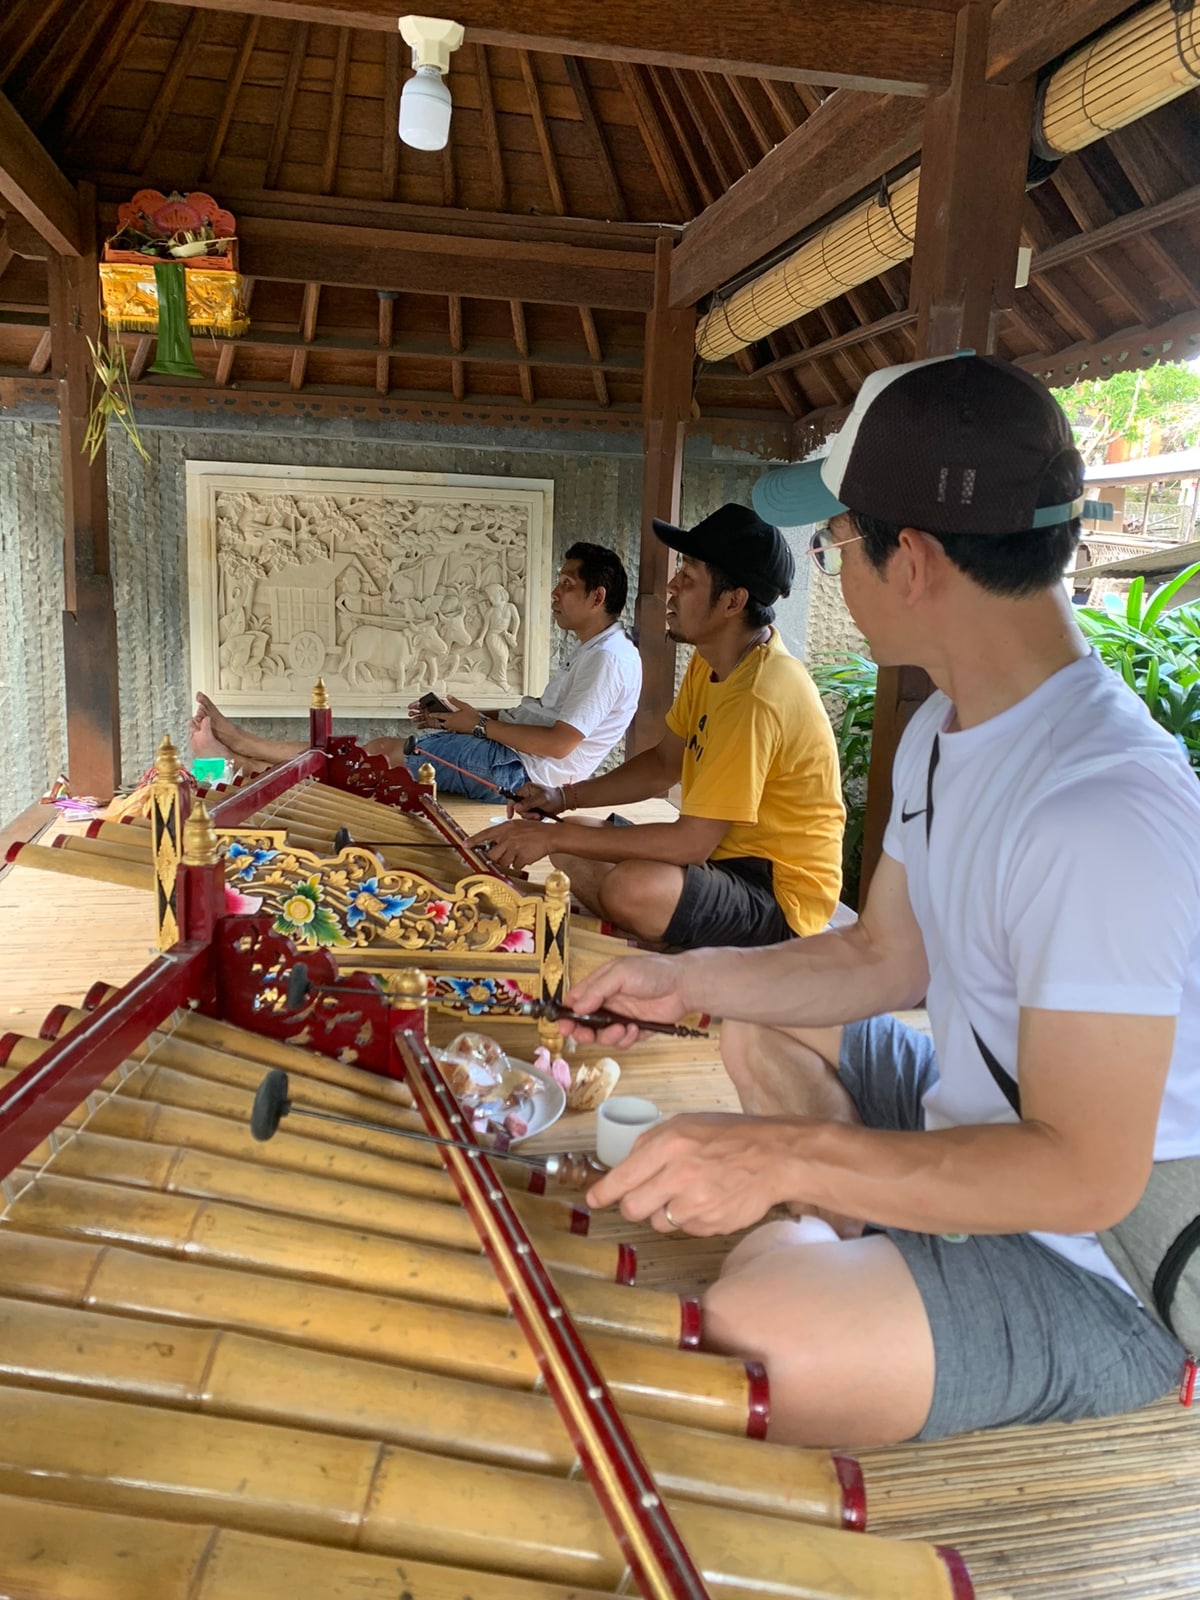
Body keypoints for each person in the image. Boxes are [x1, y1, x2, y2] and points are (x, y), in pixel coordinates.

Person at [553, 354, 1199, 1449]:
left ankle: (844, 1230)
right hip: (967, 1122)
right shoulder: (948, 733)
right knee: (753, 1007)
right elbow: (881, 959)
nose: (832, 565)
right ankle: (859, 1221)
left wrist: (783, 1159)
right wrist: (680, 981)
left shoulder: (1102, 809)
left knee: (761, 1338)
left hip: (1094, 1255)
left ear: (914, 559)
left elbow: (1087, 1172)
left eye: (838, 540)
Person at [473, 504, 844, 951]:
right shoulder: (712, 663)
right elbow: (665, 763)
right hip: (718, 860)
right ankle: (658, 931)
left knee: (629, 885)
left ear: (732, 601)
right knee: (573, 842)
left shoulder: (759, 693)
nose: (671, 587)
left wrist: (550, 832)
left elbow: (691, 842)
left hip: (775, 896)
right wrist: (561, 799)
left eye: (687, 578)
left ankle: (665, 934)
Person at [192, 542, 642, 800]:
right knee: (376, 751)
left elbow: (561, 745)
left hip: (518, 772)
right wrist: (468, 715)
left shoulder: (608, 658)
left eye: (567, 584)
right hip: (509, 755)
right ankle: (240, 756)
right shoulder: (593, 651)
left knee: (375, 758)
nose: (554, 594)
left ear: (597, 597)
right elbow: (543, 720)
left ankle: (240, 755)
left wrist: (479, 725)